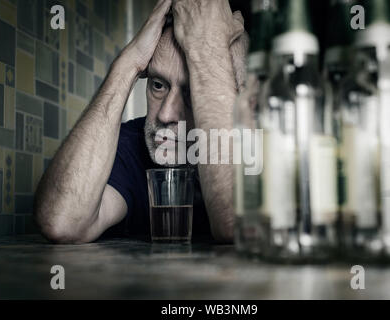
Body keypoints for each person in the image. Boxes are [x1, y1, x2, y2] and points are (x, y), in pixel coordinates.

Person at [34, 0, 248, 244]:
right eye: (158, 85)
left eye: (193, 94)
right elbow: (60, 222)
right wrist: (130, 62)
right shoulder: (129, 145)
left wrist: (206, 50)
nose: (166, 115)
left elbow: (237, 226)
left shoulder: (271, 149)